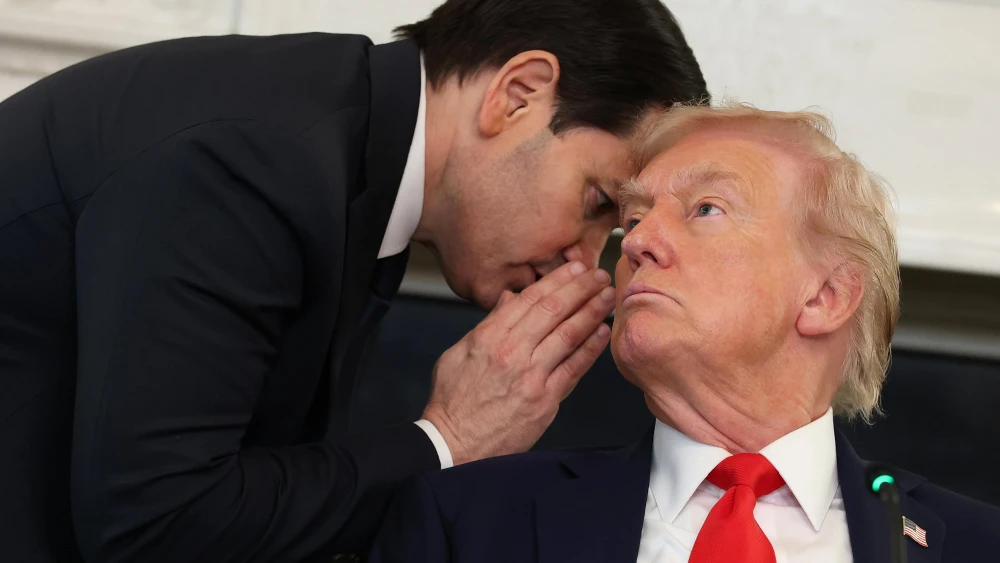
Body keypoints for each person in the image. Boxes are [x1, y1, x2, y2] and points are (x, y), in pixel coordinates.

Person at [0, 1, 709, 561]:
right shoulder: (255, 162)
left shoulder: (348, 148)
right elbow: (155, 522)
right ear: (517, 94)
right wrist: (449, 437)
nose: (584, 262)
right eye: (595, 205)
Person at [369, 104, 1000, 563]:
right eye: (634, 218)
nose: (637, 241)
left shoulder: (973, 544)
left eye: (705, 209)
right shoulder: (470, 522)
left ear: (825, 297)